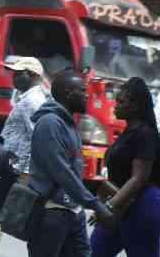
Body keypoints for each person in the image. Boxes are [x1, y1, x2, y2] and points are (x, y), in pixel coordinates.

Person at [27, 70, 114, 257]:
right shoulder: (50, 124)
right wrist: (94, 204)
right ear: (68, 93)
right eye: (82, 90)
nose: (87, 95)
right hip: (51, 213)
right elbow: (62, 172)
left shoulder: (68, 123)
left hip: (73, 211)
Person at [90, 77, 160, 257]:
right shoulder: (128, 132)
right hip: (121, 202)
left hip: (144, 204)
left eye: (120, 102)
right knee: (93, 251)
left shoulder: (144, 134)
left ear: (134, 106)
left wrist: (108, 206)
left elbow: (138, 178)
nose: (114, 105)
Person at [0, 57, 48, 257]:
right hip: (13, 166)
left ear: (33, 75)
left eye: (19, 73)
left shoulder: (32, 102)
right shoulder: (28, 98)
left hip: (16, 169)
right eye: (14, 73)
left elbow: (39, 137)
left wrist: (24, 172)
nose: (14, 77)